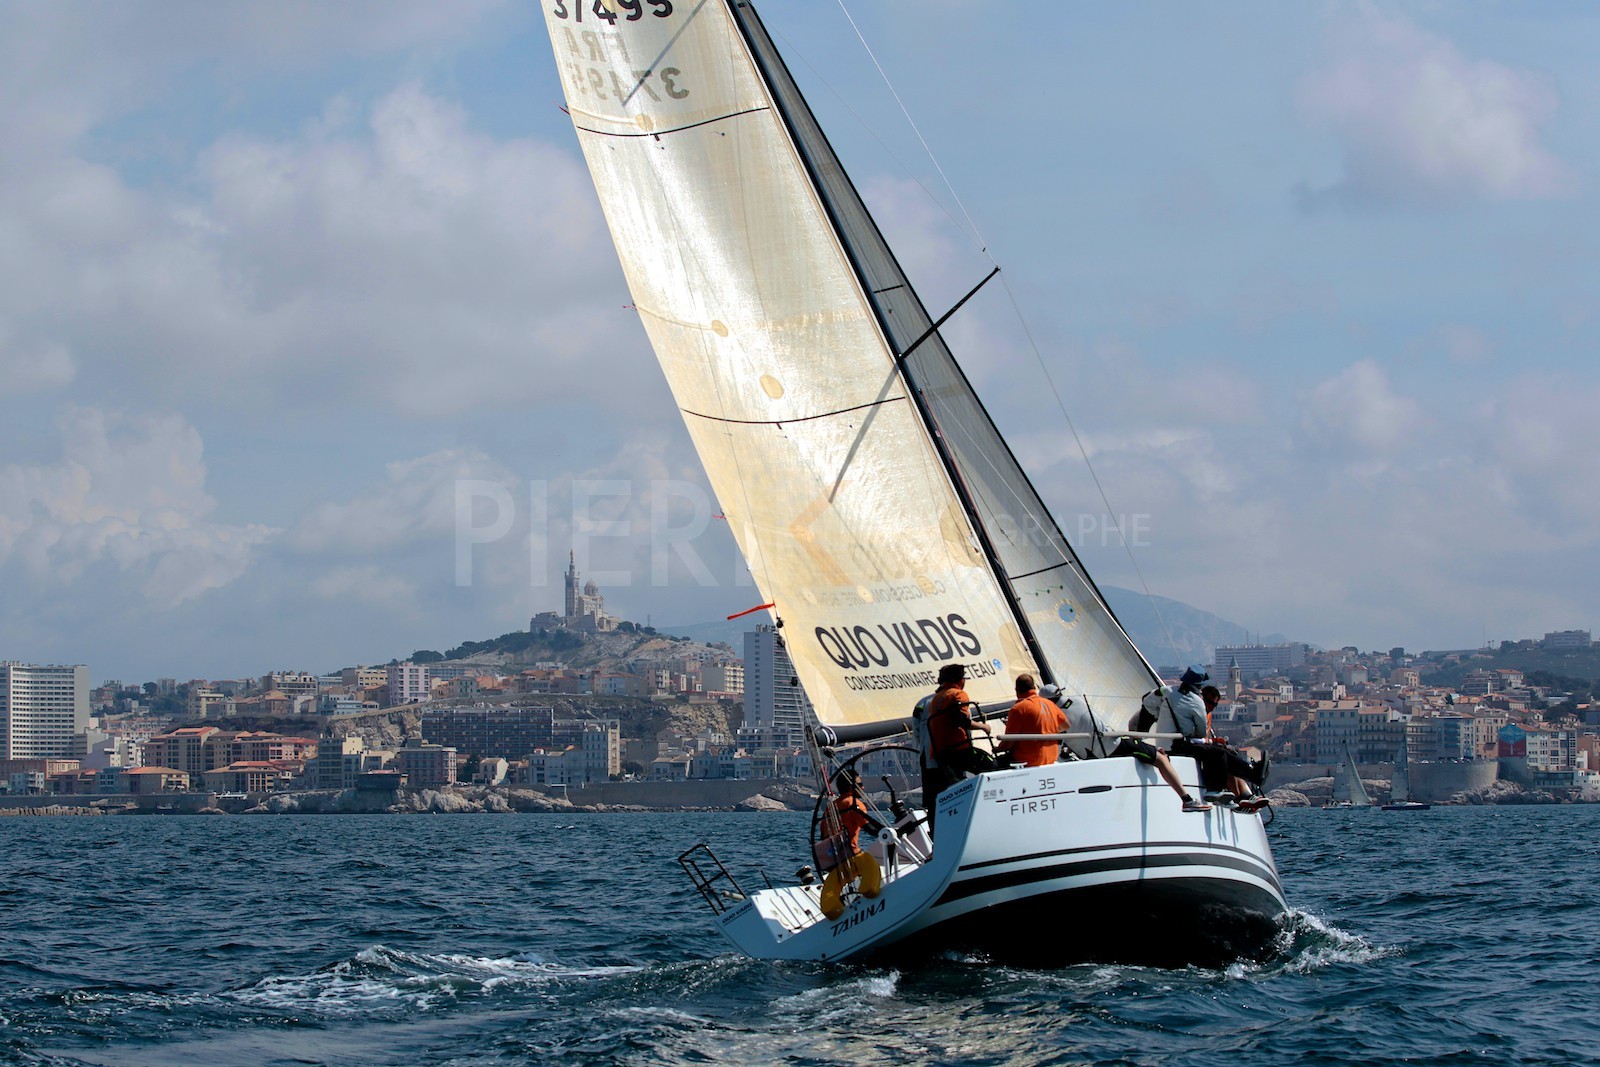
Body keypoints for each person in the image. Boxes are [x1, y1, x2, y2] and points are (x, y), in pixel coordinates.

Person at [1041, 683, 1210, 813]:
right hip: (1114, 745)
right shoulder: (1078, 701)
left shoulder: (1052, 719)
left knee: (1150, 752)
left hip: (1094, 757)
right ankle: (1186, 799)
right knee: (1160, 758)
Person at [922, 663, 994, 828]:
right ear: (961, 680)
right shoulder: (958, 694)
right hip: (958, 750)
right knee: (993, 765)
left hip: (939, 753)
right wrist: (983, 726)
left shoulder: (937, 697)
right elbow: (960, 720)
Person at [1200, 685, 1270, 812]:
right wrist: (1212, 741)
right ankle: (1245, 787)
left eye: (1214, 705)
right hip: (1202, 750)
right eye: (1209, 703)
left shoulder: (1207, 714)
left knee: (1229, 754)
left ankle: (1245, 795)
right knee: (1224, 758)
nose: (1211, 707)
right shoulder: (1197, 712)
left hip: (1207, 748)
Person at [999, 673, 1068, 768]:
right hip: (1051, 758)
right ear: (1034, 688)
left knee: (995, 764)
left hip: (1029, 760)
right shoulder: (1050, 703)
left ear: (1016, 690)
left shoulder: (1018, 709)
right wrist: (1047, 730)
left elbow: (1008, 742)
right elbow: (1065, 725)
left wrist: (997, 749)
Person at [827, 767, 885, 857]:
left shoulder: (831, 807)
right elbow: (870, 829)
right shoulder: (854, 804)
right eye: (860, 784)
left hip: (828, 858)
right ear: (851, 787)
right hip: (849, 856)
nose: (863, 787)